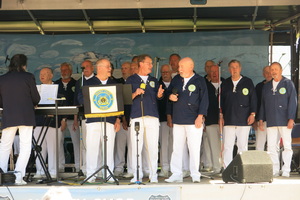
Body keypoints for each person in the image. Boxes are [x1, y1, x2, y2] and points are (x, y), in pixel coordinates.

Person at [165, 57, 208, 183]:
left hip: (194, 120)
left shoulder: (199, 80)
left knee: (194, 148)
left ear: (191, 67)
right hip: (178, 119)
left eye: (181, 67)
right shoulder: (176, 79)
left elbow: (204, 100)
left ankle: (195, 174)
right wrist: (170, 97)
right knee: (177, 148)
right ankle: (176, 174)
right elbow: (168, 93)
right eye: (179, 67)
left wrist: (200, 116)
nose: (179, 69)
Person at [78, 58, 121, 183]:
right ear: (99, 68)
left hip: (110, 120)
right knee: (92, 148)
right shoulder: (89, 82)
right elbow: (80, 98)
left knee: (109, 148)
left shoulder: (114, 82)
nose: (110, 69)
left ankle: (109, 174)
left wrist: (118, 119)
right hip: (93, 120)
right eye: (107, 66)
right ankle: (91, 174)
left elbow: (119, 102)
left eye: (110, 67)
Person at [0, 54, 40, 185]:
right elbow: (36, 98)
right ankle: (18, 177)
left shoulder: (2, 79)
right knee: (25, 146)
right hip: (26, 115)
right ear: (24, 65)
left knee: (4, 146)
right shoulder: (28, 77)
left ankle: (1, 175)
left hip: (9, 115)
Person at [126, 54, 164, 183]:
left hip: (152, 116)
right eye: (149, 63)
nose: (151, 66)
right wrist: (136, 93)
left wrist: (159, 95)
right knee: (136, 147)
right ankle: (137, 175)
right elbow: (126, 99)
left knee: (152, 147)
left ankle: (153, 175)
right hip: (137, 116)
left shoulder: (154, 80)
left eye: (151, 64)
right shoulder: (131, 80)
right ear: (141, 64)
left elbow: (158, 98)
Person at [259, 62, 297, 177]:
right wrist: (261, 119)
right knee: (271, 146)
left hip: (285, 120)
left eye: (276, 69)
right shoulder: (266, 86)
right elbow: (263, 104)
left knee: (286, 146)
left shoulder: (288, 84)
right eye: (272, 70)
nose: (273, 71)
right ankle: (274, 169)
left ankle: (286, 170)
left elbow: (293, 102)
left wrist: (291, 118)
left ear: (281, 70)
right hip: (271, 120)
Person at [220, 59, 257, 168]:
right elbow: (221, 101)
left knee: (242, 146)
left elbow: (253, 99)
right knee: (227, 146)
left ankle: (242, 168)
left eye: (236, 67)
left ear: (240, 68)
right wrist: (221, 116)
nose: (234, 69)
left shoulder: (247, 82)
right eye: (232, 67)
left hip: (244, 118)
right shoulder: (225, 83)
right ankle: (227, 168)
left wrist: (253, 114)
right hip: (228, 119)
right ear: (228, 69)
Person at [34, 67, 63, 179]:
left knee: (52, 149)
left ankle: (53, 171)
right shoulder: (36, 89)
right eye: (41, 74)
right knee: (39, 148)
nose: (42, 76)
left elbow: (62, 103)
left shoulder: (57, 88)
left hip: (52, 122)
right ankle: (39, 171)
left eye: (45, 73)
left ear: (51, 75)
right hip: (38, 122)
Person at [54, 62, 80, 172]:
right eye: (62, 70)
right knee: (58, 142)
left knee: (77, 142)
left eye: (66, 70)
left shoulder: (76, 83)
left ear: (70, 71)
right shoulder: (56, 84)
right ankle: (60, 166)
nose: (63, 72)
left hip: (73, 118)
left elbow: (78, 101)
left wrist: (76, 118)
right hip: (59, 119)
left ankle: (79, 166)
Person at [74, 60, 95, 174]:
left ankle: (96, 168)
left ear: (92, 68)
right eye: (83, 67)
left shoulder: (96, 80)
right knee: (84, 144)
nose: (85, 69)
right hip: (84, 116)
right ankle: (85, 168)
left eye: (87, 67)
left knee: (95, 143)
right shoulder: (79, 82)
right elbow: (76, 101)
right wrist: (75, 119)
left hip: (95, 117)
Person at [114, 61, 133, 177]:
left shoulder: (134, 82)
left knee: (132, 146)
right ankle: (119, 168)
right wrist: (123, 119)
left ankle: (131, 169)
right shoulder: (118, 83)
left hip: (134, 119)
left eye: (126, 68)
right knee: (120, 146)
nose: (123, 70)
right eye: (122, 68)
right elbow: (119, 103)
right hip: (121, 120)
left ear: (131, 69)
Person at [204, 64, 223, 173]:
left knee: (226, 146)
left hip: (225, 122)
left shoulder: (226, 85)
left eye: (216, 71)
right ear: (209, 73)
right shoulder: (206, 86)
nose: (215, 74)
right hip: (210, 121)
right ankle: (216, 167)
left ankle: (226, 166)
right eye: (212, 72)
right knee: (213, 146)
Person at [158, 64, 173, 177]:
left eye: (167, 72)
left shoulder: (176, 83)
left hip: (176, 119)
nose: (165, 74)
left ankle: (174, 168)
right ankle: (164, 168)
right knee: (164, 144)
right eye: (163, 72)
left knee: (174, 145)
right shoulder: (157, 84)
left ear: (171, 72)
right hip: (162, 119)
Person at [201, 60, 215, 172]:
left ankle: (219, 166)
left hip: (220, 119)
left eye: (214, 69)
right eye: (209, 68)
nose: (212, 71)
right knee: (206, 142)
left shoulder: (224, 82)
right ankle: (207, 164)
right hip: (207, 117)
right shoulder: (202, 82)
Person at [254, 66, 272, 151]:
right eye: (266, 72)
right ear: (263, 74)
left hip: (274, 120)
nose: (269, 74)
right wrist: (255, 119)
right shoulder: (259, 86)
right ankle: (259, 163)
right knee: (259, 144)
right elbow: (255, 103)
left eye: (270, 72)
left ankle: (273, 164)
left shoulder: (279, 85)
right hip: (261, 120)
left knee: (273, 145)